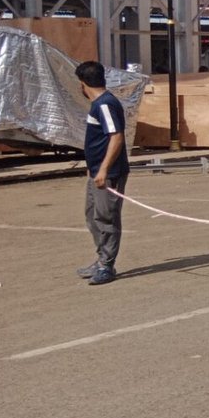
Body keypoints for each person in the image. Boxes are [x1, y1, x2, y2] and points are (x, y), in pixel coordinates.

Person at [74, 61, 129, 286]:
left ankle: (107, 265)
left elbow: (116, 137)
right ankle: (100, 259)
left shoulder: (105, 104)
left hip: (109, 173)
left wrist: (104, 168)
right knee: (91, 215)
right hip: (96, 171)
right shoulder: (99, 104)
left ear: (83, 84)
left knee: (106, 218)